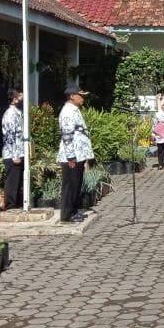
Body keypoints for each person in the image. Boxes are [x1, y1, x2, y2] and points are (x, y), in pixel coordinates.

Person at [57, 84, 93, 223]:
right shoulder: (67, 112)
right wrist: (71, 156)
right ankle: (67, 214)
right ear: (72, 96)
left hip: (79, 154)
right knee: (70, 186)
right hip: (72, 157)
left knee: (76, 184)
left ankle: (73, 211)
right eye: (81, 95)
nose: (83, 98)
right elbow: (67, 135)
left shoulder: (75, 110)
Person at [1, 88, 25, 210]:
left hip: (20, 153)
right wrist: (15, 155)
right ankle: (10, 207)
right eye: (19, 95)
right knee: (12, 183)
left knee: (18, 182)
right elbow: (10, 136)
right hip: (12, 155)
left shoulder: (18, 112)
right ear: (14, 99)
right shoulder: (10, 114)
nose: (22, 96)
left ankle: (18, 205)